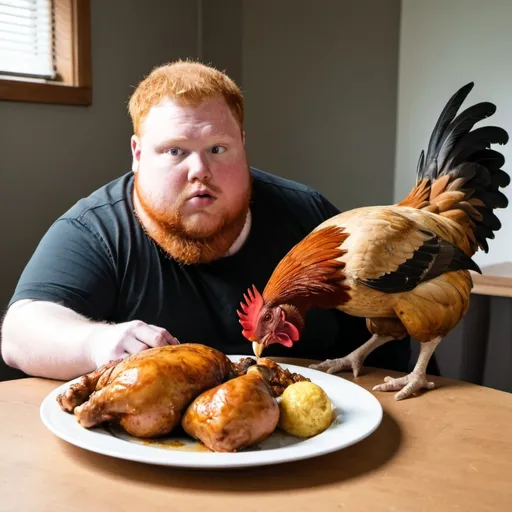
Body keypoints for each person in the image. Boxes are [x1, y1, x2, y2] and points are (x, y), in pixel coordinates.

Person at [1, 60, 411, 381]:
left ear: (243, 146)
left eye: (217, 148)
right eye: (175, 151)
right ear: (138, 154)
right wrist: (94, 341)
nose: (200, 170)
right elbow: (20, 333)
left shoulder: (308, 216)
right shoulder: (96, 230)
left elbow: (389, 337)